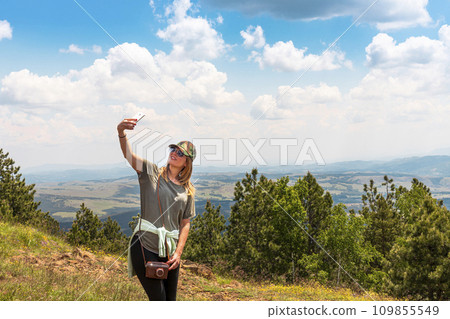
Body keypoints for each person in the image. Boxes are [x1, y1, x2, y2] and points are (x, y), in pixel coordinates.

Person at [117, 118, 196, 301]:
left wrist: (178, 252)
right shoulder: (150, 172)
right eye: (174, 150)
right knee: (159, 301)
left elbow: (185, 223)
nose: (174, 153)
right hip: (145, 245)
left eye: (180, 153)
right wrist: (121, 132)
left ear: (187, 163)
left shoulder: (188, 190)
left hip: (169, 251)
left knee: (170, 301)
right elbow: (128, 155)